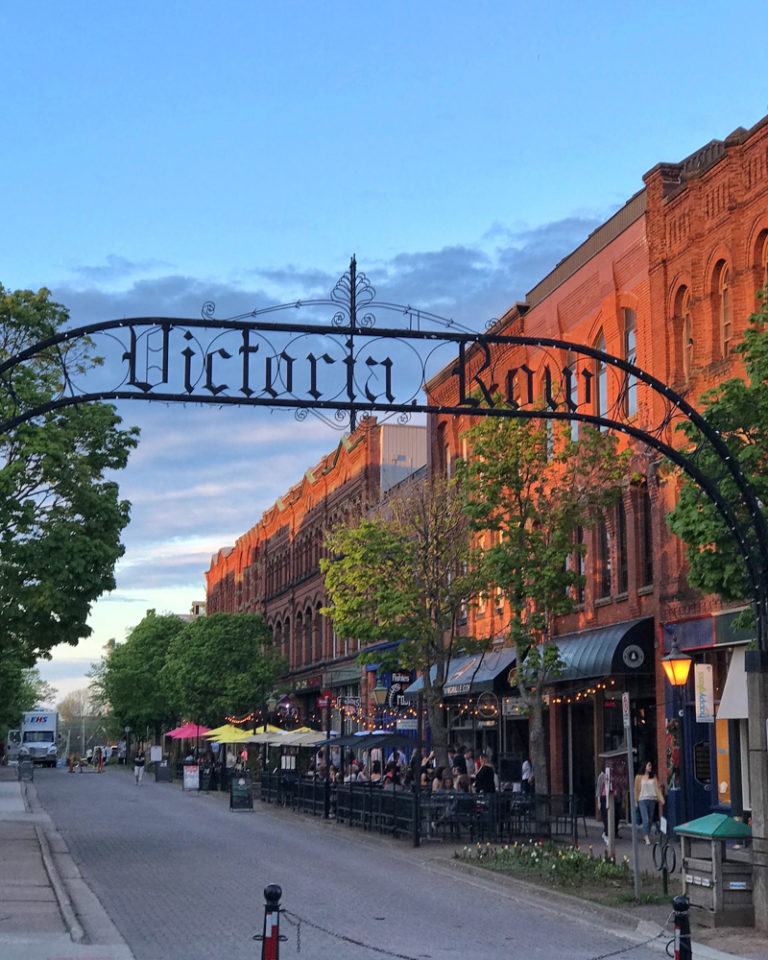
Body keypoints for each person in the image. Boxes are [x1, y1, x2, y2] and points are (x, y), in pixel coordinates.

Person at [635, 761, 665, 844]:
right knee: (646, 819)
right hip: (642, 800)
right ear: (645, 766)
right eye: (649, 765)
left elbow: (657, 789)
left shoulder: (653, 778)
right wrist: (636, 801)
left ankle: (646, 834)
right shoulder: (639, 777)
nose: (650, 767)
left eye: (651, 765)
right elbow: (636, 790)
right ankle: (646, 837)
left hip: (652, 800)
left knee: (651, 819)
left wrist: (661, 799)